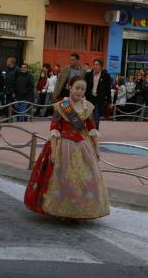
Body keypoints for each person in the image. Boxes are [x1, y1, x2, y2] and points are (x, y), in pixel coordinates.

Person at [24, 76, 110, 221]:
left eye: (83, 89)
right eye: (77, 88)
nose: (79, 91)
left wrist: (96, 149)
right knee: (62, 179)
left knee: (83, 180)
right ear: (70, 87)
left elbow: (91, 129)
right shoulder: (62, 106)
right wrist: (53, 150)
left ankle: (79, 211)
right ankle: (61, 211)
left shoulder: (87, 107)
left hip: (83, 147)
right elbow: (54, 128)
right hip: (63, 146)